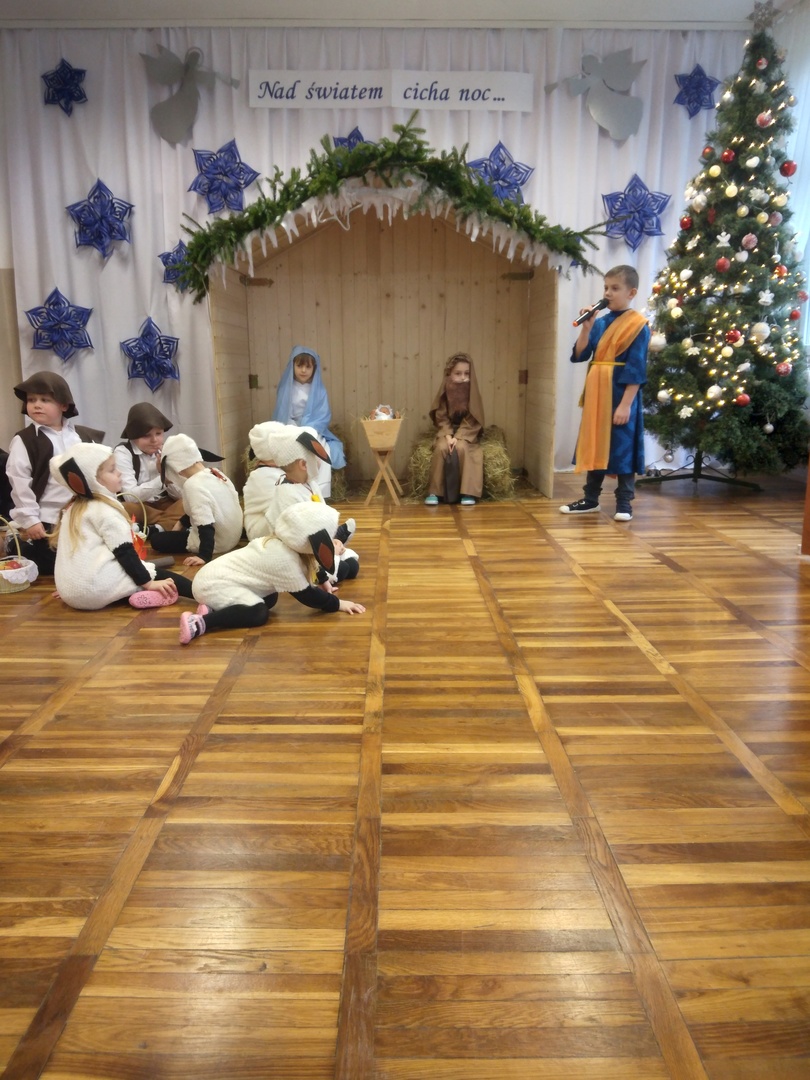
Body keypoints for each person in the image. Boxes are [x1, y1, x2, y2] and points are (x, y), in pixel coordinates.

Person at [179, 500, 365, 644]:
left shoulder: (284, 543)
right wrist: (338, 604)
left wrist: (324, 582)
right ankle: (200, 622)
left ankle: (215, 607)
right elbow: (308, 596)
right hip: (212, 584)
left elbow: (311, 562)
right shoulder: (283, 560)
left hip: (217, 579)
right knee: (258, 613)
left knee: (270, 597)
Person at [48, 442, 194, 611]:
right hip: (95, 590)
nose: (119, 472)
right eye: (112, 470)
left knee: (123, 572)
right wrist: (149, 583)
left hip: (71, 594)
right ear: (93, 480)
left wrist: (70, 588)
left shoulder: (72, 508)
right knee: (155, 572)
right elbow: (125, 552)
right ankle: (200, 594)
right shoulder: (104, 509)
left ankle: (136, 594)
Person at [560, 265, 650, 522]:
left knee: (623, 446)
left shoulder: (638, 326)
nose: (608, 293)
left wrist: (625, 405)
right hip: (597, 394)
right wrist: (586, 328)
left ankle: (624, 502)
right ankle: (590, 499)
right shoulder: (599, 323)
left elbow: (636, 368)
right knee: (595, 442)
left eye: (615, 288)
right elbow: (580, 355)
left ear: (631, 293)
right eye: (606, 288)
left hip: (621, 395)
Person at [5, 371, 104, 575]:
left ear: (63, 405)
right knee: (53, 565)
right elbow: (19, 481)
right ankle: (16, 545)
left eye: (45, 400)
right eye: (31, 400)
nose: (36, 405)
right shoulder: (25, 440)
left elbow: (97, 473)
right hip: (48, 519)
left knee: (94, 558)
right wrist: (31, 520)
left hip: (82, 515)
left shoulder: (81, 436)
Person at [149, 434, 243, 565]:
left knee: (157, 540)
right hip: (233, 536)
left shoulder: (193, 485)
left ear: (175, 468)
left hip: (218, 542)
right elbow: (206, 508)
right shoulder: (215, 472)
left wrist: (204, 555)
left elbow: (205, 523)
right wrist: (181, 523)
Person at [271, 345, 346, 498]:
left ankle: (319, 491)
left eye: (308, 367)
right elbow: (282, 413)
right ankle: (294, 490)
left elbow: (322, 415)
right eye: (300, 366)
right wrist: (292, 428)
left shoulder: (319, 390)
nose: (303, 370)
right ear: (293, 366)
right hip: (291, 427)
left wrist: (308, 429)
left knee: (321, 451)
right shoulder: (286, 388)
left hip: (313, 428)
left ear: (314, 368)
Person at [425, 352, 484, 506]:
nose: (463, 377)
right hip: (447, 432)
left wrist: (458, 437)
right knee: (441, 448)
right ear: (449, 374)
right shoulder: (445, 394)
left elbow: (473, 418)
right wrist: (448, 436)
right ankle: (435, 492)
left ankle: (467, 492)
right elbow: (441, 416)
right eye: (458, 373)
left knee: (463, 448)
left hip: (467, 434)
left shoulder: (473, 394)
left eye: (467, 374)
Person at [114, 403, 184, 530]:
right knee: (125, 508)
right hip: (141, 506)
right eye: (146, 435)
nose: (154, 440)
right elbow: (130, 497)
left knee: (190, 501)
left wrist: (169, 476)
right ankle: (167, 524)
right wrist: (162, 479)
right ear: (133, 435)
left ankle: (155, 528)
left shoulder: (166, 450)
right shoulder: (123, 452)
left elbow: (180, 495)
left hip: (165, 503)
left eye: (158, 433)